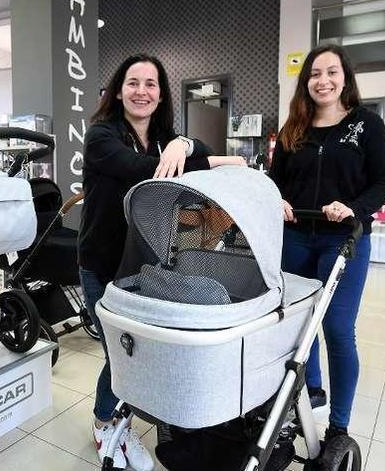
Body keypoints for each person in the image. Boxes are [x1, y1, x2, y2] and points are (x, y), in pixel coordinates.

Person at [79, 53, 246, 470]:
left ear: (160, 94)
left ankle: (130, 415)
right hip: (103, 265)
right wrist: (220, 161)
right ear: (119, 91)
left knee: (144, 352)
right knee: (119, 355)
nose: (142, 91)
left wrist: (183, 142)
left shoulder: (163, 137)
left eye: (151, 84)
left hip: (147, 263)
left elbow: (191, 149)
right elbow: (142, 170)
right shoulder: (101, 136)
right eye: (133, 83)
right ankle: (104, 423)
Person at [269, 44, 385, 441]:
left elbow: (383, 183)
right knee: (296, 326)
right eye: (314, 74)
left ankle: (339, 424)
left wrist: (353, 207)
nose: (322, 81)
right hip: (295, 239)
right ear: (306, 82)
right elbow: (276, 180)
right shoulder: (294, 128)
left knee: (337, 328)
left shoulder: (367, 124)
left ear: (345, 78)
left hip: (344, 241)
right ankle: (311, 392)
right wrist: (280, 200)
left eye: (331, 73)